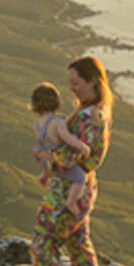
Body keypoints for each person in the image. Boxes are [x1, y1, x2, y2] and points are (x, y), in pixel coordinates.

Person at [26, 56, 114, 266]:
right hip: (84, 189)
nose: (72, 89)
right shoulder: (98, 110)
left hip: (67, 191)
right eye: (70, 84)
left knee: (42, 247)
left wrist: (44, 156)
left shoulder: (88, 117)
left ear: (93, 81)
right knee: (78, 245)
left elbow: (74, 157)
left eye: (76, 83)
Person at [28, 82, 91, 215]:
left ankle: (44, 175)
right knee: (80, 178)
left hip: (46, 160)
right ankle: (71, 203)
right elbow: (67, 137)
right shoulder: (57, 122)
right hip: (60, 160)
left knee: (50, 166)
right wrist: (81, 146)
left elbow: (42, 143)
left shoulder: (37, 124)